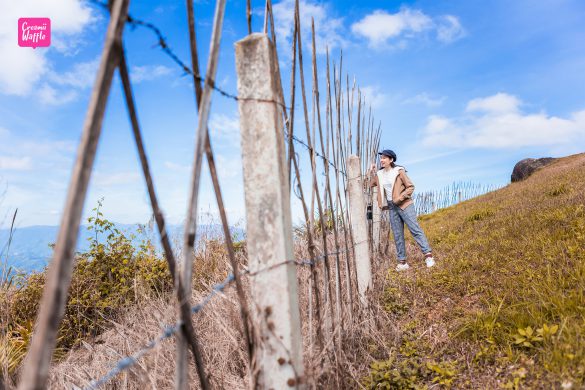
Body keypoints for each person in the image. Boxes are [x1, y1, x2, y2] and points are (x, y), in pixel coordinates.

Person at [370, 149, 435, 271]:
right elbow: (367, 184)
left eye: (384, 158)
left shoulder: (398, 171)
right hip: (391, 207)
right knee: (397, 234)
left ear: (391, 160)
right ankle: (402, 263)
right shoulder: (379, 174)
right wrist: (371, 171)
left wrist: (399, 198)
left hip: (405, 205)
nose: (382, 160)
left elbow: (410, 187)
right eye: (381, 158)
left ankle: (428, 256)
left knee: (415, 230)